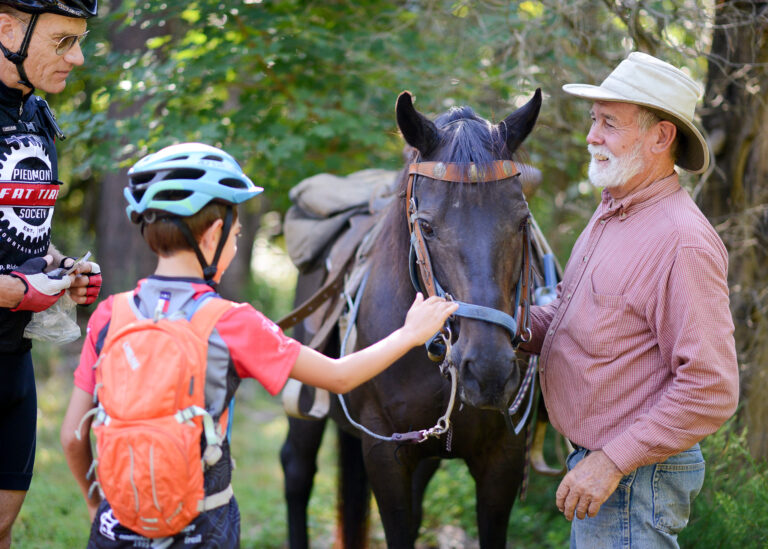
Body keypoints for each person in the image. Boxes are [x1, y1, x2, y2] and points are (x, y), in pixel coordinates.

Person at [59, 142, 458, 548]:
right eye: (235, 235)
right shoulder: (233, 322)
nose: (234, 245)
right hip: (201, 530)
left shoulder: (108, 315)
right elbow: (338, 377)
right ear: (213, 235)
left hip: (113, 527)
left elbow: (73, 436)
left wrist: (95, 505)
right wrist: (410, 333)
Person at [525, 52, 740, 548]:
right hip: (609, 471)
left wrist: (611, 462)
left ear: (661, 137)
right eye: (593, 120)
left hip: (635, 481)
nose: (591, 136)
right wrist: (504, 323)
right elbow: (569, 315)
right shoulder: (612, 211)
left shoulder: (681, 241)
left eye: (609, 123)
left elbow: (711, 387)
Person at [0, 1, 100, 547]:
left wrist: (61, 268)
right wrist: (15, 290)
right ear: (6, 29)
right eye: (63, 41)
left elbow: (21, 231)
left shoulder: (34, 114)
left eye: (79, 40)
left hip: (12, 357)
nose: (77, 58)